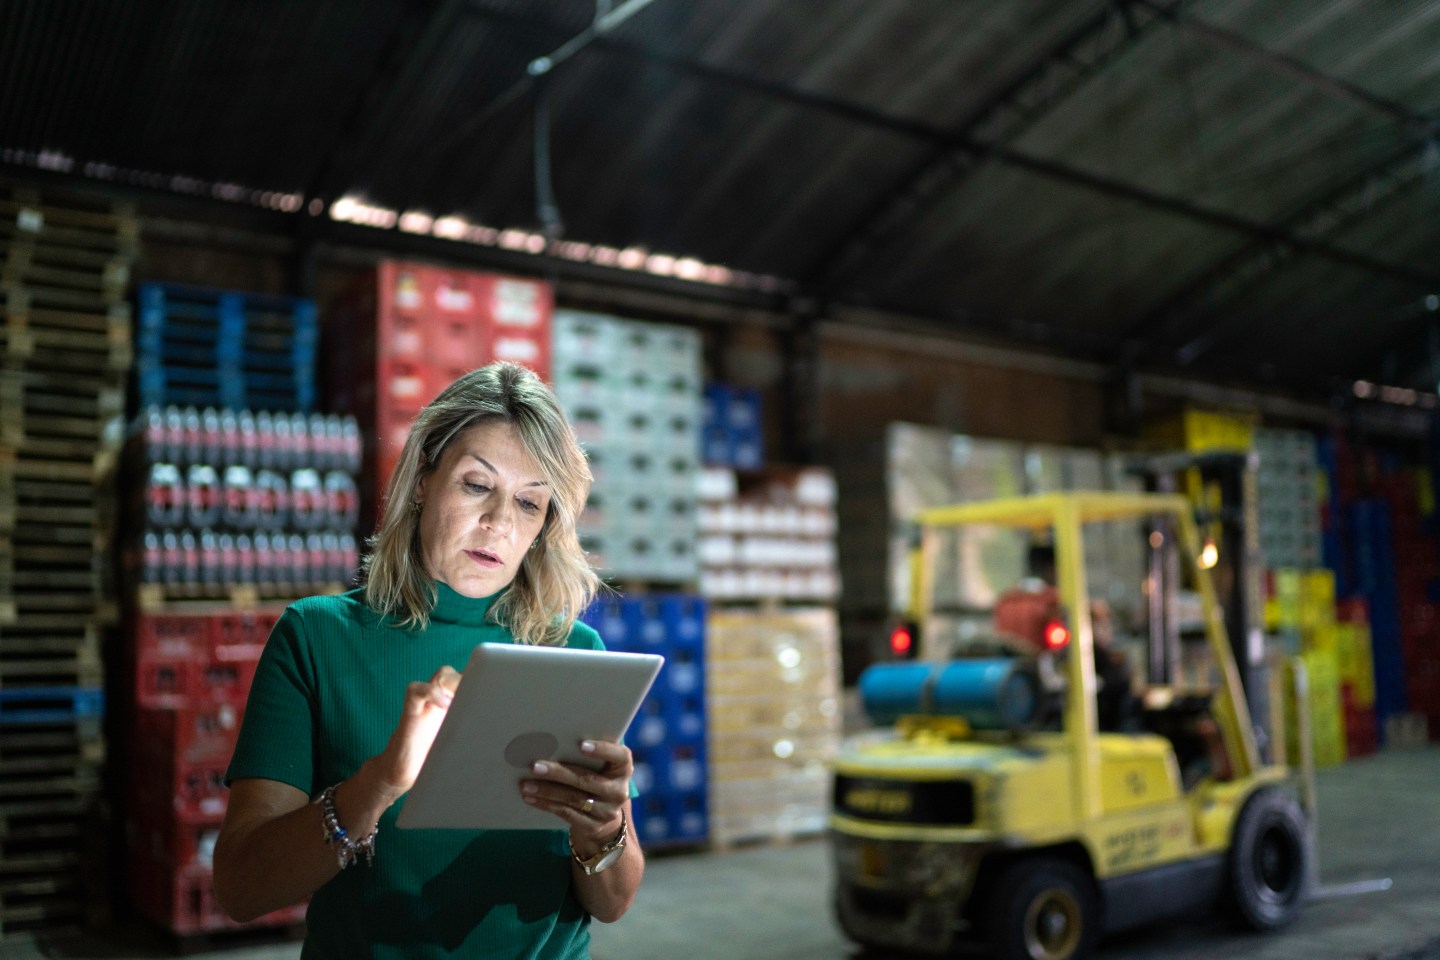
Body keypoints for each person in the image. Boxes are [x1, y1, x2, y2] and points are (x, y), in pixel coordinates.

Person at [213, 362, 642, 958]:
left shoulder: (572, 654)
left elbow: (614, 903)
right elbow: (240, 887)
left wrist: (604, 830)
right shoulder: (316, 637)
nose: (498, 522)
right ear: (422, 479)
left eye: (529, 503)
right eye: (476, 484)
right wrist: (377, 784)